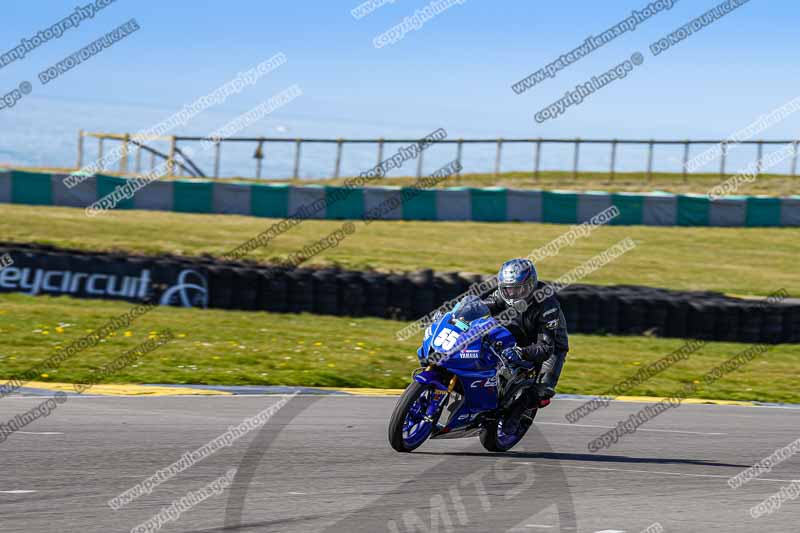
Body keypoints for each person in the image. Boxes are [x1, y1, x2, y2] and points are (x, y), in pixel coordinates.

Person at [482, 258, 569, 407]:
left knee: (539, 393)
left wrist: (521, 352)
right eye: (508, 289)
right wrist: (457, 312)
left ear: (531, 285)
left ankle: (511, 424)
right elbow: (481, 306)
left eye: (518, 289)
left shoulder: (547, 304)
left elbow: (546, 348)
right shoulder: (502, 295)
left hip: (549, 344)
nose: (513, 293)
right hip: (517, 333)